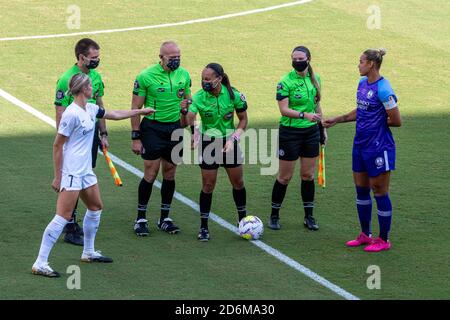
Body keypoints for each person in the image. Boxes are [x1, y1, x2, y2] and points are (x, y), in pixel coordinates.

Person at [32, 73, 155, 277]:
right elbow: (57, 145)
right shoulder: (71, 114)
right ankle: (40, 262)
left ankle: (88, 252)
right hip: (71, 171)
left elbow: (114, 114)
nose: (93, 88)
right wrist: (58, 176)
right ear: (82, 89)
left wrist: (141, 111)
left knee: (96, 207)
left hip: (85, 170)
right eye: (90, 86)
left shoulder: (91, 108)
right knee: (63, 216)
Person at [324, 48, 401, 252]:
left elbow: (396, 120)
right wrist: (338, 119)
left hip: (379, 147)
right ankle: (365, 235)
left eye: (361, 62)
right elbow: (362, 110)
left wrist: (376, 123)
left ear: (371, 64)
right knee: (361, 189)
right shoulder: (362, 83)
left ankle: (383, 239)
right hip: (360, 144)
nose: (358, 65)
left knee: (379, 191)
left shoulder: (384, 89)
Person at [130, 41, 192, 236]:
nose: (176, 61)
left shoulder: (184, 75)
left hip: (175, 128)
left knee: (170, 172)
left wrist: (188, 120)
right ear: (161, 57)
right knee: (150, 172)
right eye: (172, 58)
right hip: (153, 129)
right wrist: (136, 137)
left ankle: (164, 217)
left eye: (178, 57)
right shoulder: (146, 76)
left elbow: (188, 102)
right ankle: (141, 218)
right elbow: (135, 109)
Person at [54, 38, 109, 245]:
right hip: (74, 138)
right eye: (93, 58)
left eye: (98, 57)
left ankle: (74, 221)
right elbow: (60, 112)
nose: (96, 61)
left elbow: (100, 105)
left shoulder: (95, 77)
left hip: (90, 133)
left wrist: (103, 134)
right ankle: (69, 223)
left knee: (85, 177)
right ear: (81, 57)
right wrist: (65, 140)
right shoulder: (67, 79)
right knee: (73, 180)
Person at [187, 63, 248, 241]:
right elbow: (190, 117)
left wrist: (233, 140)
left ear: (219, 79)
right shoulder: (199, 97)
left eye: (207, 79)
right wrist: (195, 132)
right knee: (208, 185)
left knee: (238, 182)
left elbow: (243, 120)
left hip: (230, 141)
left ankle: (242, 221)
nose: (203, 82)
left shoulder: (234, 95)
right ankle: (204, 227)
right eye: (202, 79)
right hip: (208, 143)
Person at [269, 46, 325, 232]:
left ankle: (309, 216)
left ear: (308, 59)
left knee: (307, 175)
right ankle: (274, 215)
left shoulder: (316, 80)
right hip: (290, 133)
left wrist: (322, 127)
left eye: (300, 58)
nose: (297, 61)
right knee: (285, 177)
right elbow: (283, 110)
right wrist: (304, 116)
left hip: (311, 133)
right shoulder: (285, 82)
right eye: (294, 58)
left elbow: (317, 106)